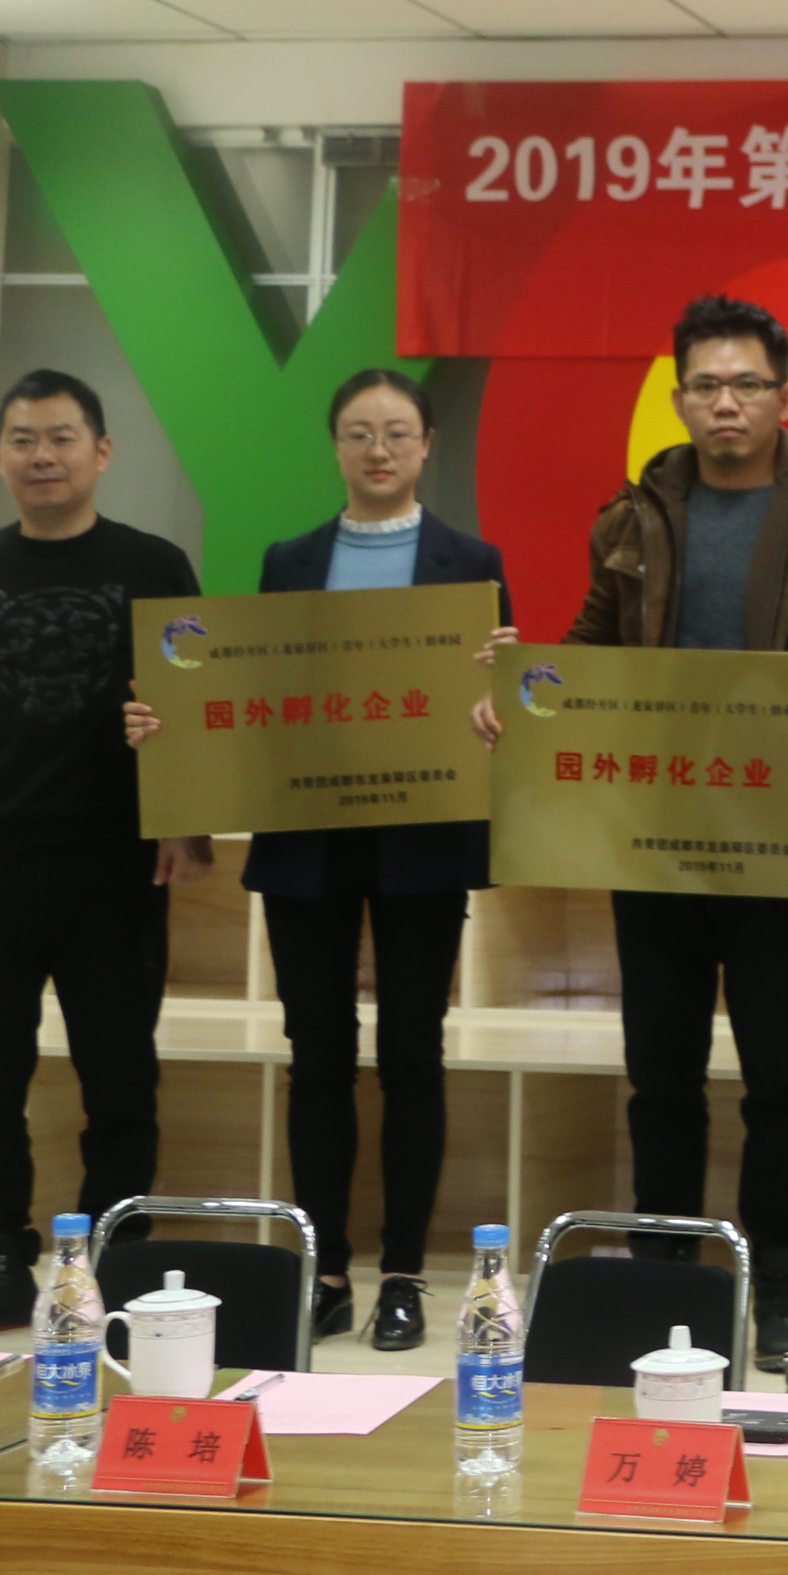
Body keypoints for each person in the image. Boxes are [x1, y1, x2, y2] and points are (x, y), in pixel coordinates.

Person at [124, 368, 505, 1352]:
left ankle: (405, 1274)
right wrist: (175, 731)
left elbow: (495, 712)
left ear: (426, 445)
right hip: (309, 841)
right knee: (318, 1057)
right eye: (359, 432)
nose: (378, 449)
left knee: (412, 1055)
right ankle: (326, 1270)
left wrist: (497, 688)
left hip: (423, 839)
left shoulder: (473, 564)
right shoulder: (289, 560)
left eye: (397, 432)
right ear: (336, 446)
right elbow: (255, 694)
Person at [558, 295, 788, 1369]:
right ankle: (669, 1269)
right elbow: (590, 645)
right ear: (678, 399)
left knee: (776, 1072)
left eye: (748, 383)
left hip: (775, 827)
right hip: (652, 827)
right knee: (659, 1070)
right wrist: (525, 688)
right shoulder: (631, 518)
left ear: (785, 397)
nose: (727, 403)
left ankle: (781, 1281)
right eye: (706, 384)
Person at [0, 371, 205, 1346]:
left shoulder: (154, 563)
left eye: (62, 437)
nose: (42, 456)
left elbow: (198, 703)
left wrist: (186, 819)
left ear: (101, 451)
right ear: (0, 456)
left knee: (121, 1076)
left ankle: (114, 1266)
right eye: (23, 439)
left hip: (116, 860)